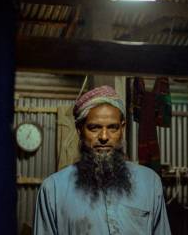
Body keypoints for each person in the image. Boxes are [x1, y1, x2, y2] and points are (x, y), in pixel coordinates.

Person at [34, 85, 171, 235]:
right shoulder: (53, 190)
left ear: (122, 129)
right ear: (79, 130)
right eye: (94, 128)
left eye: (113, 127)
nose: (104, 137)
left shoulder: (150, 183)